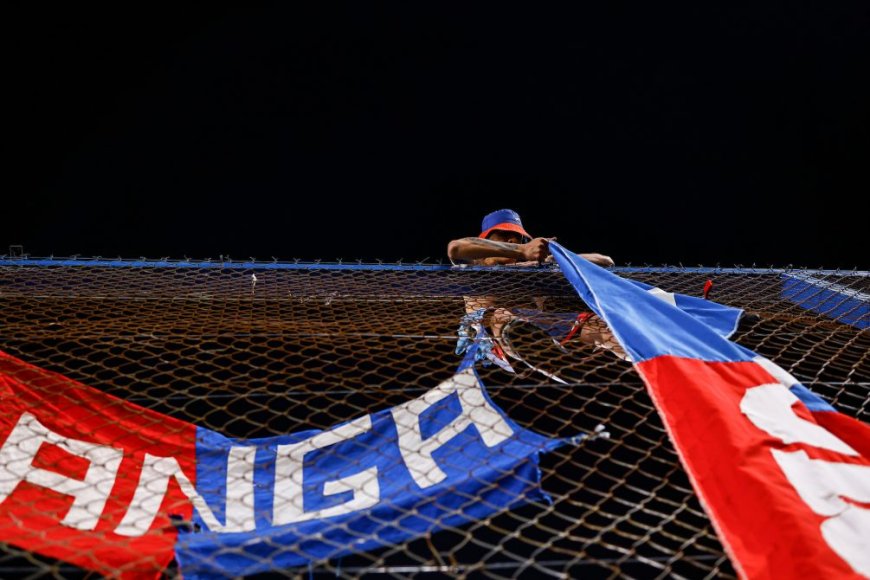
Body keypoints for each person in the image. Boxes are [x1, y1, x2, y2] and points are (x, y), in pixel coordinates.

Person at [447, 209, 627, 363]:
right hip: (490, 338)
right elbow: (455, 248)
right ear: (486, 239)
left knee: (599, 324)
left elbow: (606, 261)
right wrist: (522, 250)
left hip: (543, 331)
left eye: (517, 237)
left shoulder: (533, 267)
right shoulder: (475, 265)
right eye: (503, 234)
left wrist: (556, 256)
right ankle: (543, 360)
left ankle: (643, 360)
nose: (511, 240)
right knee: (500, 316)